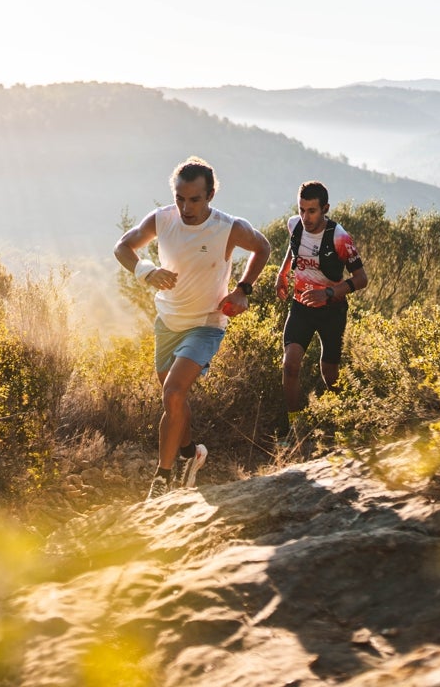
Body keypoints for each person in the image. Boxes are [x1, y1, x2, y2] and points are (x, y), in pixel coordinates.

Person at [114, 156, 271, 501]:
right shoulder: (162, 220)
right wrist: (146, 271)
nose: (186, 207)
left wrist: (243, 289)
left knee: (172, 393)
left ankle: (162, 481)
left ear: (210, 195)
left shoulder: (229, 228)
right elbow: (122, 247)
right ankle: (191, 455)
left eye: (195, 199)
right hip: (167, 323)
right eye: (180, 198)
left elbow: (263, 247)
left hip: (206, 324)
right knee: (175, 404)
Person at [275, 180, 368, 446]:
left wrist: (327, 293)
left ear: (325, 208)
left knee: (330, 374)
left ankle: (344, 424)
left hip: (332, 311)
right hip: (301, 307)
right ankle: (294, 430)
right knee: (290, 365)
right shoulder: (295, 225)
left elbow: (361, 279)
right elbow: (293, 250)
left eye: (312, 211)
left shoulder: (340, 237)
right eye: (302, 209)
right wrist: (283, 274)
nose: (305, 217)